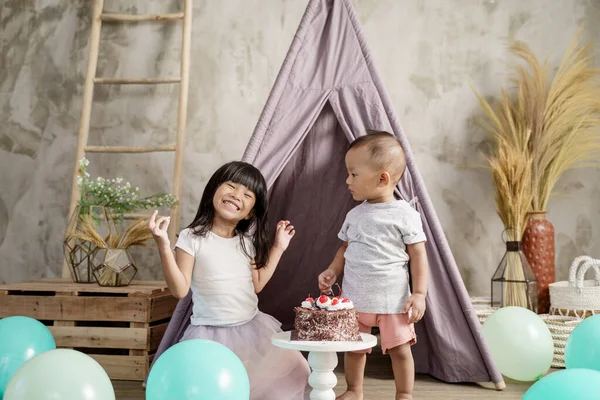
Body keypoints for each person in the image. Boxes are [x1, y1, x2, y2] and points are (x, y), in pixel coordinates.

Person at [149, 161, 310, 400]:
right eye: (231, 186)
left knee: (298, 371)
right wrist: (163, 244)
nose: (236, 195)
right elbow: (180, 289)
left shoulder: (246, 241)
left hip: (252, 329)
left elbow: (257, 284)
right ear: (214, 189)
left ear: (251, 212)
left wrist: (278, 247)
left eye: (247, 194)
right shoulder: (191, 238)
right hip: (209, 334)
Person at [318, 131, 429, 400]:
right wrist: (333, 269)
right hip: (355, 299)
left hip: (393, 300)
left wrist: (420, 293)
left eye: (353, 174)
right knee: (354, 349)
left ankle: (404, 394)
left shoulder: (406, 215)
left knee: (400, 350)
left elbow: (418, 256)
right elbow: (345, 248)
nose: (347, 180)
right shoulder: (354, 215)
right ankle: (354, 391)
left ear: (383, 178)